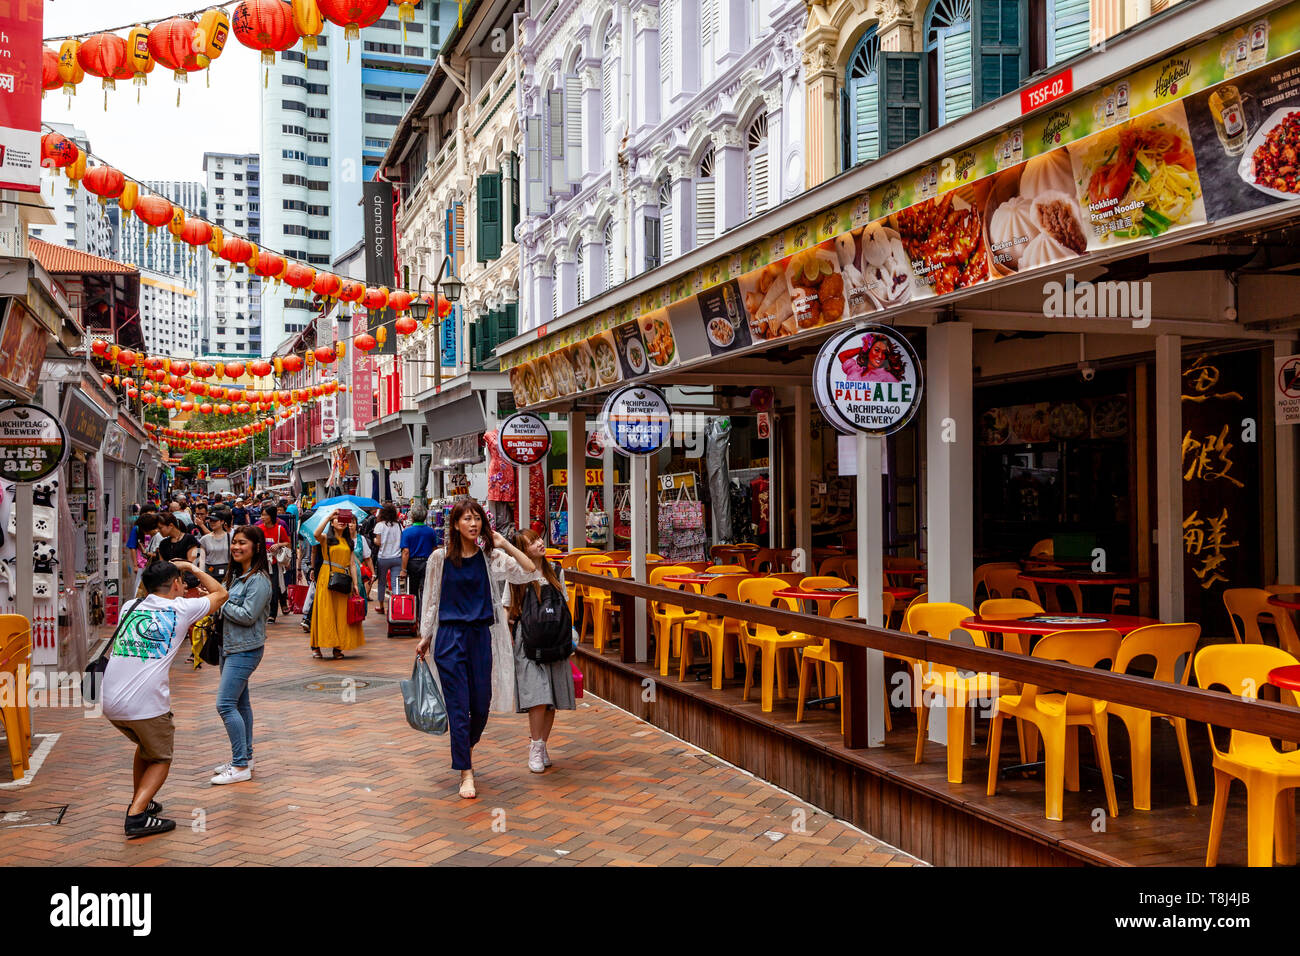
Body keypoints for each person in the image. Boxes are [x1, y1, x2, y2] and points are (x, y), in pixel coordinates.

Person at [414, 498, 535, 799]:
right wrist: (425, 635)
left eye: (477, 518)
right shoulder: (439, 559)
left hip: (481, 637)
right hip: (450, 639)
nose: (473, 524)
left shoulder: (490, 558)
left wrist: (505, 543)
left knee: (480, 706)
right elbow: (431, 599)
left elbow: (530, 570)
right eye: (466, 519)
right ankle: (466, 773)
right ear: (455, 524)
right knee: (458, 706)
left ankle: (463, 748)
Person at [102, 560, 227, 837]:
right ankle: (136, 817)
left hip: (111, 702)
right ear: (175, 584)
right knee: (160, 758)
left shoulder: (130, 607)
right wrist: (193, 570)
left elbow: (145, 593)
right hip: (146, 704)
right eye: (181, 581)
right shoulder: (181, 608)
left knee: (146, 748)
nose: (184, 586)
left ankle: (141, 801)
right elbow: (221, 593)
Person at [507, 529, 576, 773]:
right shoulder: (517, 575)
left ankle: (542, 744)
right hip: (528, 643)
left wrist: (571, 636)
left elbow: (565, 605)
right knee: (537, 697)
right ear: (523, 549)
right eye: (532, 542)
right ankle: (535, 747)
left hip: (555, 641)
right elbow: (509, 610)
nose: (540, 543)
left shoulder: (556, 571)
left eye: (538, 539)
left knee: (551, 700)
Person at [211, 525, 273, 785]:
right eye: (234, 542)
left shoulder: (258, 580)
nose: (236, 547)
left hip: (244, 649)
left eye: (242, 543)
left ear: (256, 547)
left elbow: (248, 616)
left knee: (225, 704)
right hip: (230, 646)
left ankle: (239, 766)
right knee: (240, 704)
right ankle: (245, 757)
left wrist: (221, 603)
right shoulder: (240, 575)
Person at [310, 506, 366, 660]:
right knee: (324, 612)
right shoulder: (326, 538)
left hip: (343, 578)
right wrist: (329, 517)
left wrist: (355, 584)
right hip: (327, 576)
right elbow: (315, 534)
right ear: (332, 523)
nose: (341, 522)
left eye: (343, 520)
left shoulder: (349, 541)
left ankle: (337, 647)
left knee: (341, 614)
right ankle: (316, 645)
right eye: (337, 519)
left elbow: (352, 564)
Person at [399, 504, 438, 623]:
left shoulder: (407, 532)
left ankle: (414, 618)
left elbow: (406, 552)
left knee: (413, 592)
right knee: (425, 592)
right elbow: (434, 549)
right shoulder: (431, 531)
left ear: (413, 517)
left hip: (412, 564)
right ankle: (424, 620)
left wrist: (403, 569)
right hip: (427, 563)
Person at [257, 505, 292, 622]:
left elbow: (288, 543)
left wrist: (279, 544)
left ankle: (272, 614)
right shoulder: (259, 528)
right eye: (262, 514)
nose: (262, 517)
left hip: (274, 563)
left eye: (265, 515)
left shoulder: (279, 529)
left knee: (273, 588)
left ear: (271, 516)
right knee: (261, 587)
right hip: (261, 562)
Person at [372, 504, 404, 614]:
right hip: (397, 557)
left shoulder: (379, 525)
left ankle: (381, 607)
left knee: (381, 583)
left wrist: (374, 540)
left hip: (383, 558)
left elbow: (378, 542)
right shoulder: (399, 525)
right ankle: (396, 607)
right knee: (396, 583)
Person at [155, 514, 201, 587]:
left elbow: (192, 564)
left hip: (189, 582)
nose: (158, 531)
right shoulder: (163, 544)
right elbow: (162, 567)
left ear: (170, 525)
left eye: (160, 528)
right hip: (171, 584)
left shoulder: (189, 539)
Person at [199, 511, 232, 582]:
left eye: (215, 521)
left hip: (227, 573)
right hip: (210, 572)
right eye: (210, 521)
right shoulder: (204, 539)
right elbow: (201, 559)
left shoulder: (231, 537)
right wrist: (201, 576)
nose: (212, 523)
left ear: (222, 522)